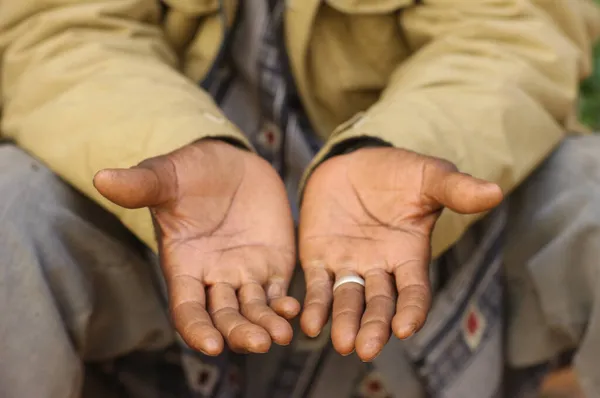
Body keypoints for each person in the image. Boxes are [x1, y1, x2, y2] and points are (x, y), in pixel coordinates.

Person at [1, 0, 600, 397]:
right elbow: (56, 28)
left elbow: (515, 26)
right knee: (9, 202)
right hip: (158, 257)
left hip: (435, 261)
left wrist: (396, 146)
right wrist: (178, 145)